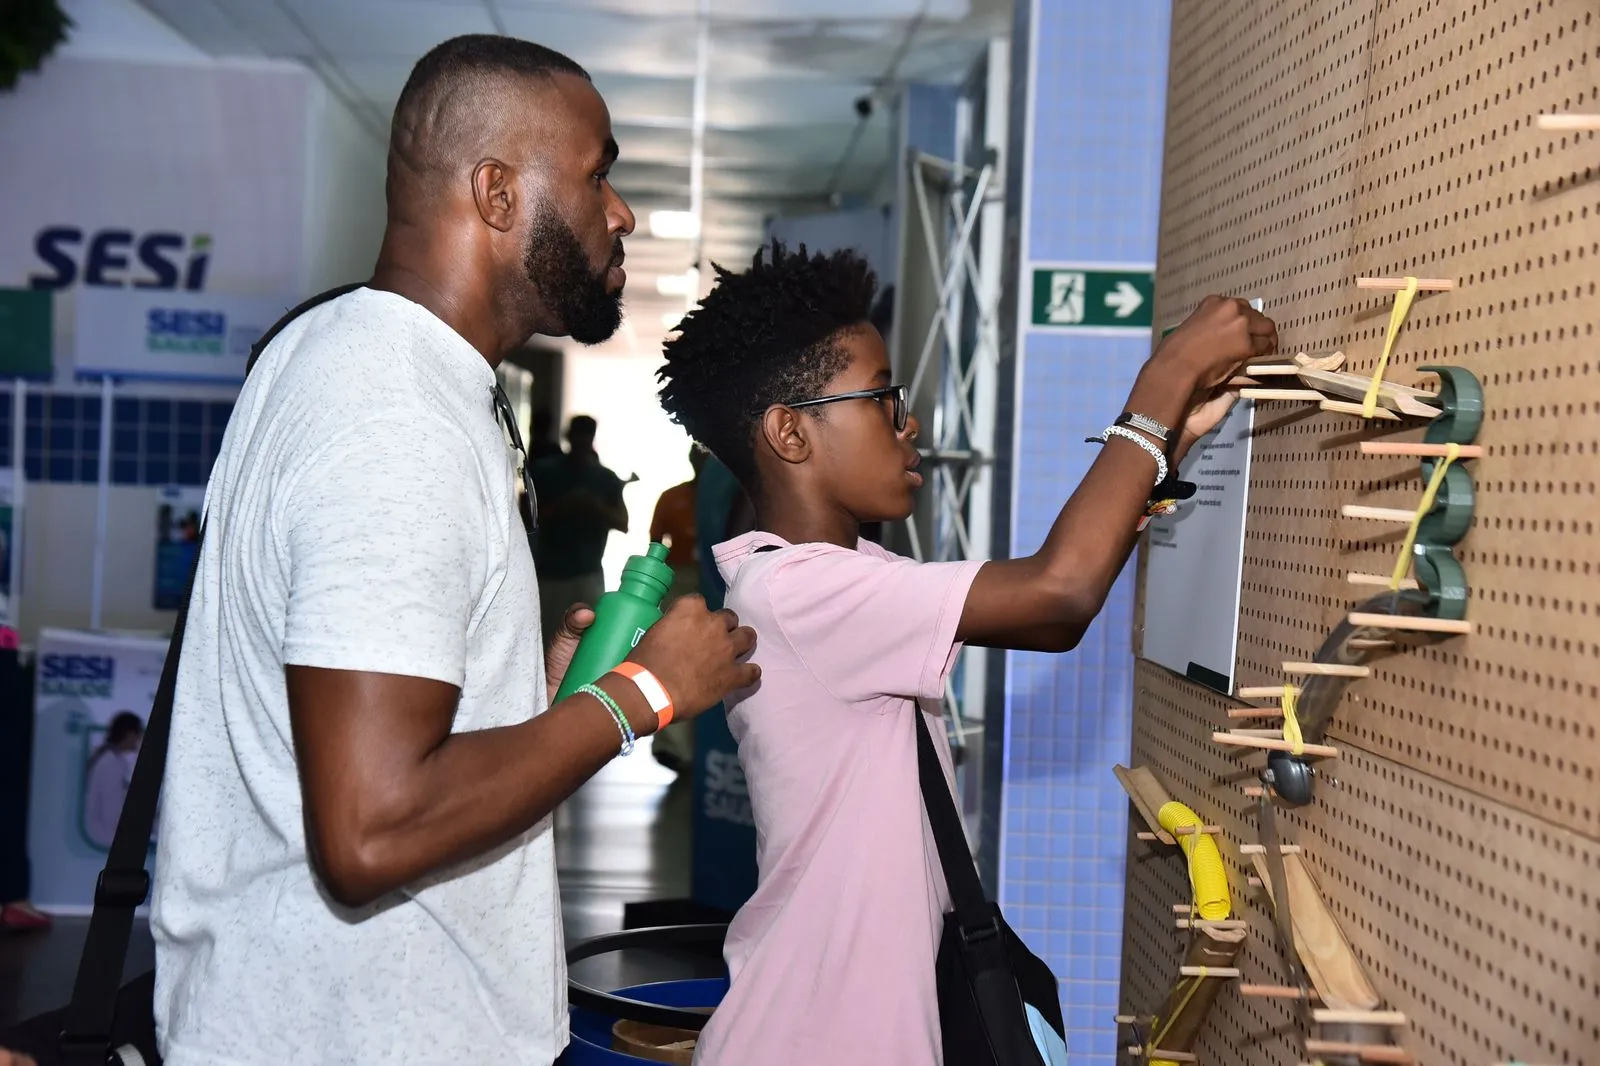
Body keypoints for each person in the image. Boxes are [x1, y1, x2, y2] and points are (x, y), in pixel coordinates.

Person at [150, 35, 758, 1066]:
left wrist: (540, 697)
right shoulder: (393, 417)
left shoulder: (347, 358)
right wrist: (640, 700)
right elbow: (374, 831)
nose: (620, 213)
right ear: (494, 191)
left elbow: (379, 741)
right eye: (597, 171)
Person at [655, 242, 1275, 1065]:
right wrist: (1166, 377)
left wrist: (1165, 448)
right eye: (883, 399)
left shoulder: (839, 578)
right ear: (790, 431)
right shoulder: (801, 592)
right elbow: (1059, 593)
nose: (909, 425)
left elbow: (1050, 595)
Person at [532, 414, 628, 646]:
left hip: (585, 572)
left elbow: (622, 523)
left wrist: (593, 506)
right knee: (548, 641)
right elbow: (528, 517)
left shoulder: (605, 479)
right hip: (552, 572)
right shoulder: (545, 473)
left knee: (585, 641)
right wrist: (564, 506)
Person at [83, 711, 143, 849]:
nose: (139, 740)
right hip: (104, 838)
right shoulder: (111, 763)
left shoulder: (107, 757)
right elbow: (111, 813)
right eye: (138, 735)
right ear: (129, 735)